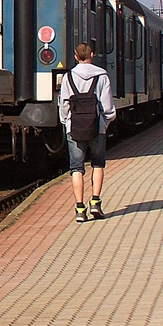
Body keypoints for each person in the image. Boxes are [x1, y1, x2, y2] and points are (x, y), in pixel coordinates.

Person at [59, 43, 116, 223]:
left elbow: (64, 105)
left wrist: (66, 122)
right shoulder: (102, 76)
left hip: (74, 128)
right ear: (92, 54)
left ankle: (79, 208)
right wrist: (105, 122)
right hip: (97, 127)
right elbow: (108, 107)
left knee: (77, 167)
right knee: (98, 164)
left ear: (76, 56)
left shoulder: (68, 77)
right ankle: (95, 202)